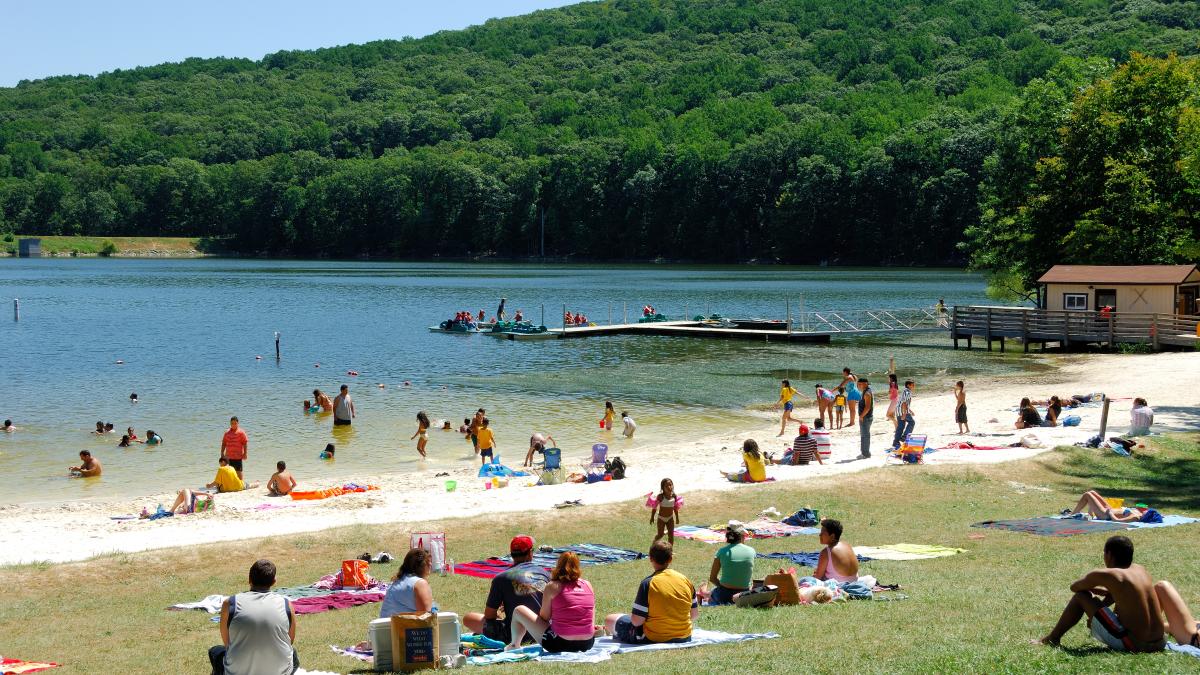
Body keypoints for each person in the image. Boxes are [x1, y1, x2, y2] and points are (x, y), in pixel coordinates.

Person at [1034, 536, 1165, 653]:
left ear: (1109, 555)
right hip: (1160, 642)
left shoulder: (1109, 574)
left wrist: (1093, 590)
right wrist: (1100, 609)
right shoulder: (1140, 570)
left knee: (1081, 596)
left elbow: (1075, 587)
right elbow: (1126, 596)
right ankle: (1055, 637)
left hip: (1135, 644)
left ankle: (1053, 638)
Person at [208, 559, 299, 675]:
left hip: (237, 671)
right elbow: (290, 640)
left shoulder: (230, 603)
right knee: (293, 654)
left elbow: (227, 642)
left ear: (249, 579)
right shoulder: (286, 604)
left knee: (215, 651)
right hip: (279, 671)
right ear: (274, 581)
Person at [604, 541, 698, 645]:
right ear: (670, 559)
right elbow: (694, 615)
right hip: (684, 637)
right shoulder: (685, 580)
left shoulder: (647, 583)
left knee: (609, 619)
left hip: (653, 637)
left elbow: (636, 622)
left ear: (650, 558)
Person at [463, 535, 551, 644]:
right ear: (530, 553)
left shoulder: (501, 578)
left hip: (515, 634)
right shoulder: (545, 574)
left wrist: (501, 612)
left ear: (511, 554)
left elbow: (489, 616)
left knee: (468, 618)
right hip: (544, 631)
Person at [508, 551, 597, 653]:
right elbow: (591, 616)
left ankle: (514, 645)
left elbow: (545, 617)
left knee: (519, 610)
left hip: (560, 643)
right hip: (588, 642)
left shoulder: (553, 586)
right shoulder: (588, 585)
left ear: (558, 565)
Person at [704, 523, 755, 605]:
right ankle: (706, 593)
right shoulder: (751, 551)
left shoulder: (721, 552)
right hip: (744, 595)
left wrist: (723, 586)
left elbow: (712, 578)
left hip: (724, 595)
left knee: (713, 592)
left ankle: (705, 594)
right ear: (742, 536)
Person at [380, 549, 436, 617]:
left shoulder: (398, 580)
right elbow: (426, 617)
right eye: (428, 561)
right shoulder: (420, 584)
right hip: (400, 623)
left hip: (387, 623)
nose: (431, 564)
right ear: (421, 565)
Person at [1152, 580, 1200, 648]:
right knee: (1162, 627)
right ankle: (1144, 628)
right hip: (1196, 627)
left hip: (1195, 636)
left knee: (1162, 587)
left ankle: (1144, 631)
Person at [1064, 490, 1160, 523]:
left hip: (1105, 515)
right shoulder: (1138, 513)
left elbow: (1117, 521)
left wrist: (1110, 513)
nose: (1146, 510)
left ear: (1147, 515)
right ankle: (1088, 514)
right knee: (1092, 492)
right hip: (1110, 510)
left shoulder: (1135, 517)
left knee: (1087, 495)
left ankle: (1073, 514)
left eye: (1147, 511)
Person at [813, 519, 858, 583]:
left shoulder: (826, 552)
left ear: (832, 536)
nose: (820, 535)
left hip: (839, 584)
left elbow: (818, 577)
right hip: (855, 581)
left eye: (823, 533)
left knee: (805, 580)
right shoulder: (847, 545)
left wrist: (815, 574)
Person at [649, 478, 680, 545]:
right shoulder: (660, 496)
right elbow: (654, 508)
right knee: (660, 534)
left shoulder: (674, 496)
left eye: (670, 485)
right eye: (666, 486)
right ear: (662, 488)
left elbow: (675, 508)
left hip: (670, 518)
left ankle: (670, 550)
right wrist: (652, 517)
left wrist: (677, 517)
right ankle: (653, 546)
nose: (669, 487)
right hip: (661, 519)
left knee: (671, 535)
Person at [891, 379, 915, 450]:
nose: (913, 386)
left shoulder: (905, 391)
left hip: (898, 411)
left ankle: (895, 442)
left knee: (900, 427)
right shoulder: (907, 392)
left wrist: (910, 410)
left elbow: (904, 403)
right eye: (912, 385)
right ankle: (904, 437)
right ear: (908, 385)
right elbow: (904, 403)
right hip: (902, 411)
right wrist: (904, 414)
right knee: (912, 422)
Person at [858, 378, 874, 460]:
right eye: (858, 384)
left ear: (865, 384)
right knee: (864, 435)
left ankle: (866, 453)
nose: (858, 386)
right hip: (865, 417)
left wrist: (861, 416)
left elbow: (867, 407)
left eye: (860, 384)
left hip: (866, 417)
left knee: (865, 436)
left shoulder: (867, 393)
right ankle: (864, 452)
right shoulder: (866, 391)